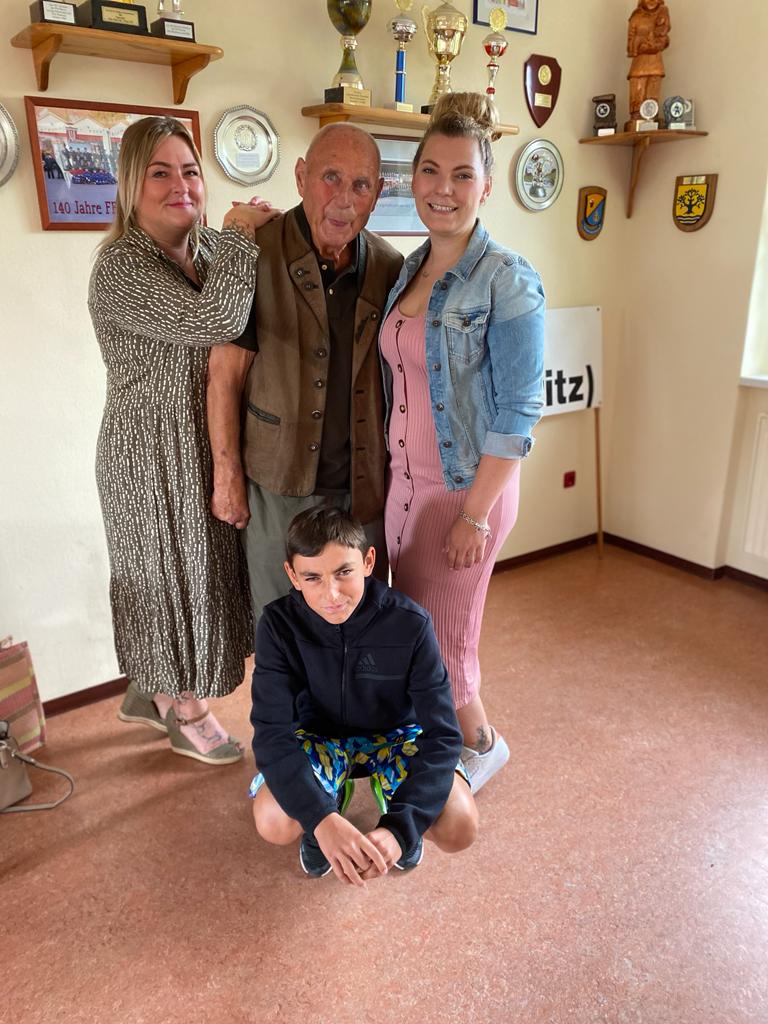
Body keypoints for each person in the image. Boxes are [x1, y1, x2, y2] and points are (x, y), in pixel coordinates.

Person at [88, 116, 280, 765]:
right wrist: (242, 233)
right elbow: (216, 317)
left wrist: (252, 232)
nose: (181, 185)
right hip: (146, 455)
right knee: (165, 582)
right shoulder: (119, 266)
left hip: (204, 443)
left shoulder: (205, 252)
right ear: (131, 185)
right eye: (160, 173)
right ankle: (183, 710)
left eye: (190, 171)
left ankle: (152, 689)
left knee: (200, 578)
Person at [378, 93, 545, 793]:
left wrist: (475, 516)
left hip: (462, 493)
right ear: (413, 177)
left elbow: (519, 413)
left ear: (486, 184)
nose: (443, 189)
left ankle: (480, 745)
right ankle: (434, 738)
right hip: (403, 486)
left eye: (462, 174)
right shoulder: (407, 269)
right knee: (414, 630)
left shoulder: (507, 279)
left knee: (445, 639)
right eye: (430, 170)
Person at [206, 124, 403, 624]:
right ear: (300, 177)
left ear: (378, 193)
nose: (344, 199)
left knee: (358, 630)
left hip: (360, 492)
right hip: (278, 488)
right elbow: (225, 375)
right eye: (330, 177)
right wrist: (227, 478)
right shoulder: (257, 251)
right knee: (282, 628)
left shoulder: (389, 266)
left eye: (361, 184)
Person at [249, 506, 478, 885]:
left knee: (460, 827)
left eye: (344, 572)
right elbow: (271, 734)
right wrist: (320, 820)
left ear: (368, 561)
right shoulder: (277, 625)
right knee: (273, 822)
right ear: (292, 575)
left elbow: (443, 734)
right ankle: (327, 803)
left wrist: (402, 828)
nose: (331, 594)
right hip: (317, 738)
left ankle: (395, 801)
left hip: (396, 735)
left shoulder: (411, 622)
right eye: (312, 578)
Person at [626, 0, 671, 124]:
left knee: (653, 90)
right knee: (637, 88)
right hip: (639, 62)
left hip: (655, 62)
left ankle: (651, 115)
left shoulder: (663, 13)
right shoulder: (636, 16)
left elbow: (664, 38)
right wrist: (640, 45)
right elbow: (630, 44)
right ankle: (636, 115)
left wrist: (657, 44)